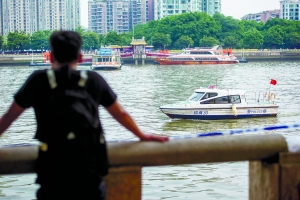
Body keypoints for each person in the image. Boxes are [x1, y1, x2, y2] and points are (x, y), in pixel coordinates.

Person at [0, 31, 169, 200]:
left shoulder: (38, 80)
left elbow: (9, 117)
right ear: (80, 57)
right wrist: (141, 135)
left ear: (51, 57)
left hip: (52, 167)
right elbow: (120, 113)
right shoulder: (93, 79)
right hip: (89, 166)